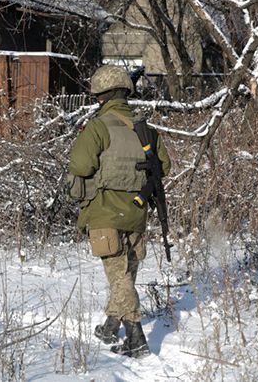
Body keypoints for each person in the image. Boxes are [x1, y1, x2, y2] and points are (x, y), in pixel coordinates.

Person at [67, 66, 171, 358]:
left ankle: (136, 338)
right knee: (126, 273)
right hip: (137, 211)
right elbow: (165, 167)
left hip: (104, 212)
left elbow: (80, 166)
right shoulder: (145, 129)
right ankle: (112, 325)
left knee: (118, 276)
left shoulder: (99, 127)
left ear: (101, 95)